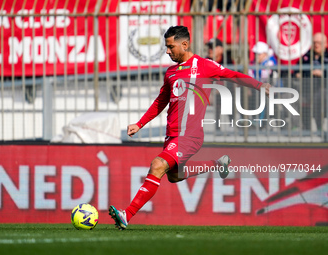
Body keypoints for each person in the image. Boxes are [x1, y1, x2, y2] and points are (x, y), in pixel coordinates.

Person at [109, 26, 271, 230]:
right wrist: (140, 124)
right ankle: (217, 163)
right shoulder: (170, 73)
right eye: (166, 47)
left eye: (170, 47)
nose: (167, 51)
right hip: (172, 135)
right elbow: (161, 101)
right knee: (174, 175)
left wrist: (259, 85)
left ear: (184, 44)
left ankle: (127, 214)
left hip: (189, 136)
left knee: (157, 165)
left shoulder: (204, 66)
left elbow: (233, 75)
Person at [297, 32, 328, 130]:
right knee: (294, 96)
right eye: (314, 42)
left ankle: (319, 127)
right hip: (306, 87)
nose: (316, 45)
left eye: (319, 42)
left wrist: (323, 74)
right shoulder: (307, 56)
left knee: (320, 96)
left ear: (326, 44)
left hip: (324, 88)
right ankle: (304, 128)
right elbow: (297, 71)